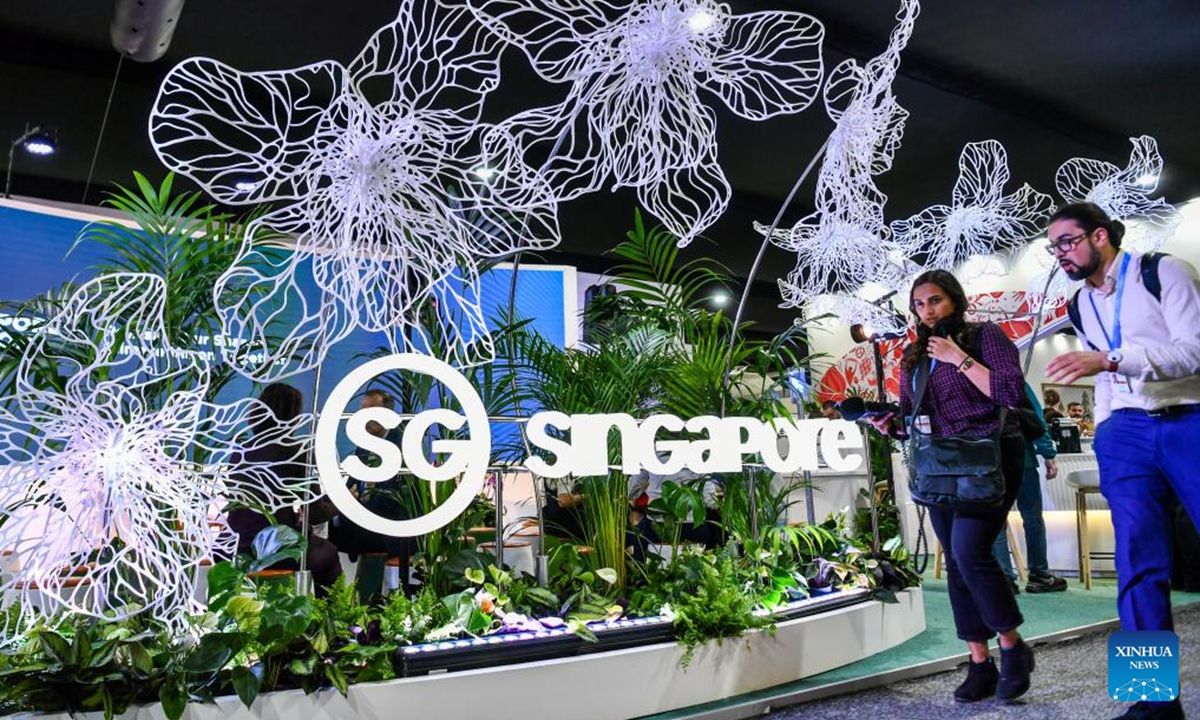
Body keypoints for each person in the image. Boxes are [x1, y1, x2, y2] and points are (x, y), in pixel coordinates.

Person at [1046, 202, 1200, 720]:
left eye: (1067, 242)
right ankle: (1152, 702)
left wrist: (1112, 358)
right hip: (1127, 432)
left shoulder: (1164, 271)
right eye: (1053, 247)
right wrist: (1108, 428)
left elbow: (1195, 350)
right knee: (1137, 565)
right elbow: (1105, 377)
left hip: (1191, 419)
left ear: (1100, 236)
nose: (1059, 254)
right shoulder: (1079, 304)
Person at [871, 269, 1034, 704]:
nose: (927, 310)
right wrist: (892, 423)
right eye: (920, 304)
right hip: (940, 462)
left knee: (969, 551)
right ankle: (979, 662)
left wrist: (957, 358)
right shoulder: (913, 355)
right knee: (958, 562)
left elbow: (1009, 391)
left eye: (936, 301)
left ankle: (1014, 646)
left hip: (990, 455)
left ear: (955, 301)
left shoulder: (985, 336)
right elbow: (912, 416)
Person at [226, 383, 343, 595]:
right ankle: (333, 620)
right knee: (329, 553)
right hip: (276, 549)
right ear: (293, 414)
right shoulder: (295, 452)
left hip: (238, 546)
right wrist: (341, 503)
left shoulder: (239, 451)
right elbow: (316, 514)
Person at [991, 383, 1068, 594]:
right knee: (1032, 518)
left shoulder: (965, 375)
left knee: (996, 521)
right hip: (1021, 456)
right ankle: (1039, 575)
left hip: (988, 461)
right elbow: (1035, 417)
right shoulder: (1012, 379)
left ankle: (1004, 579)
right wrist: (1048, 453)